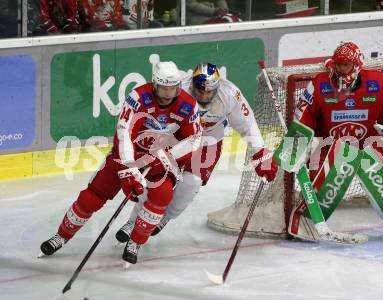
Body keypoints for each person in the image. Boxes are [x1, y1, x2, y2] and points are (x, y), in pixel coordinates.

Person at [40, 61, 202, 265]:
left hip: (160, 159)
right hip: (126, 155)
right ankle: (61, 236)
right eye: (164, 88)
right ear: (154, 84)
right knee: (93, 196)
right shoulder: (138, 97)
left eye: (173, 88)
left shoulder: (188, 105)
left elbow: (195, 139)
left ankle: (135, 242)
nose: (169, 93)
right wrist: (129, 169)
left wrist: (166, 157)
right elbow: (124, 132)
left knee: (162, 196)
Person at [115, 63, 279, 243]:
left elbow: (247, 125)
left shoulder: (230, 94)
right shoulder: (180, 88)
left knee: (192, 182)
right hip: (178, 135)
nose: (203, 96)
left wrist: (260, 151)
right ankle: (133, 221)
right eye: (200, 91)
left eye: (209, 92)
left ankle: (164, 217)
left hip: (209, 139)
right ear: (192, 85)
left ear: (218, 87)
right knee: (155, 179)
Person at [289, 41, 383, 241]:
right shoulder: (319, 84)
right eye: (337, 64)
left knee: (379, 169)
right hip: (328, 147)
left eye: (344, 65)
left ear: (356, 65)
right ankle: (306, 223)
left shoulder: (379, 83)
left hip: (367, 144)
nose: (339, 69)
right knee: (333, 167)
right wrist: (296, 149)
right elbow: (302, 118)